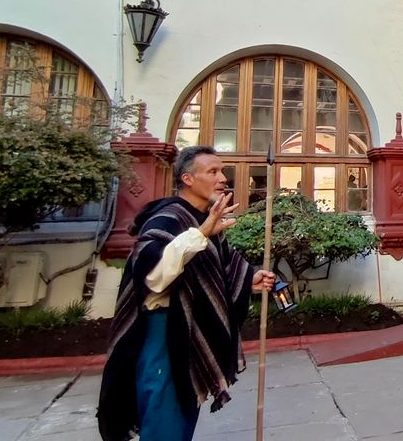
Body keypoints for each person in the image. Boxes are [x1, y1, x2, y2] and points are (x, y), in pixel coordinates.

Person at [98, 146, 276, 441]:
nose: (222, 178)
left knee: (182, 421)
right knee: (164, 424)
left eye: (222, 171)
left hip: (191, 332)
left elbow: (220, 267)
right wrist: (202, 233)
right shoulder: (167, 218)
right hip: (166, 335)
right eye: (212, 171)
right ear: (188, 179)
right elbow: (153, 277)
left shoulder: (204, 220)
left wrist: (249, 278)